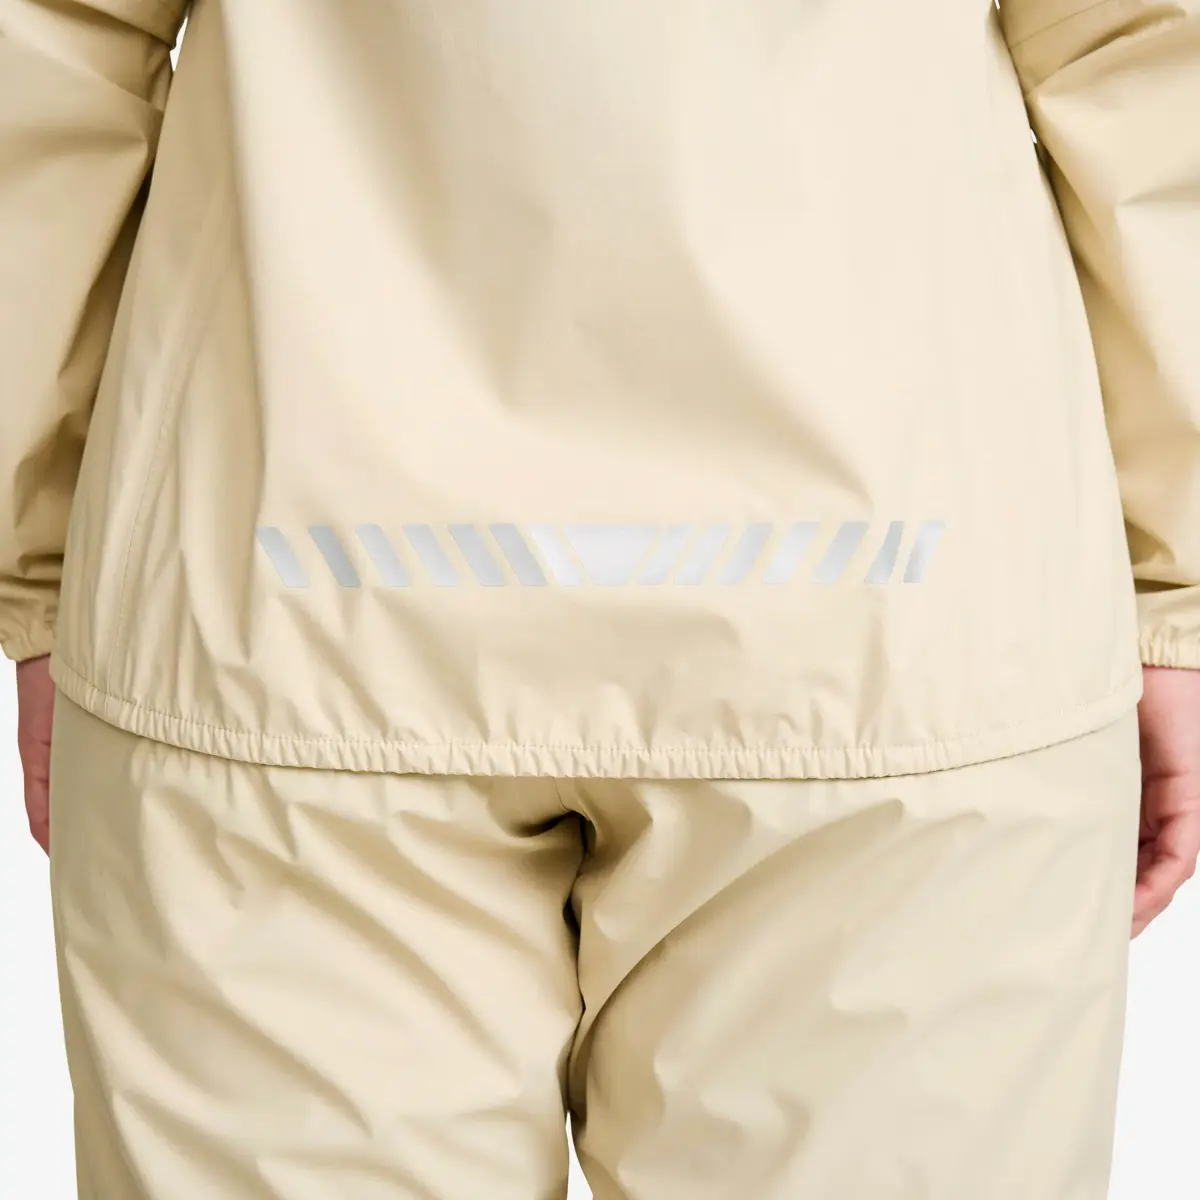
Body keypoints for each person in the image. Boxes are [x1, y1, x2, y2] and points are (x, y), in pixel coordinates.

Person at [3, 1, 1199, 1196]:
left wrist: (44, 565)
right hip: (901, 602)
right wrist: (1173, 587)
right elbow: (1144, 52)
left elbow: (46, 46)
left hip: (286, 576)